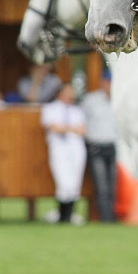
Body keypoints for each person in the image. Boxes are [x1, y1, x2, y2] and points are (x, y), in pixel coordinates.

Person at [40, 82, 87, 223]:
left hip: (76, 148)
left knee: (74, 181)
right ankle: (62, 215)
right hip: (59, 148)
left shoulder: (76, 110)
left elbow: (82, 130)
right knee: (63, 181)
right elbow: (54, 127)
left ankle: (70, 214)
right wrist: (71, 128)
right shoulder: (50, 108)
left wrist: (65, 127)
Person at [81, 69, 118, 221]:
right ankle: (106, 219)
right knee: (102, 186)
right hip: (96, 146)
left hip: (113, 147)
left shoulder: (118, 99)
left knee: (112, 185)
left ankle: (112, 216)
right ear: (102, 82)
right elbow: (82, 121)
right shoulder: (91, 100)